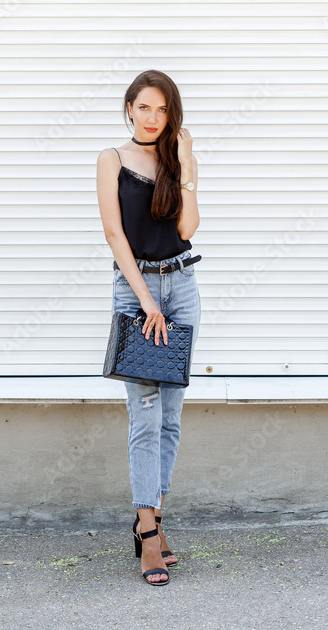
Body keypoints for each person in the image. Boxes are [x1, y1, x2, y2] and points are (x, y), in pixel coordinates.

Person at [96, 69, 201, 586]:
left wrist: (185, 167)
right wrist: (145, 302)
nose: (153, 118)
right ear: (129, 108)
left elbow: (185, 230)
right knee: (145, 415)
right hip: (137, 293)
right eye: (144, 108)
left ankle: (155, 522)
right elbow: (115, 235)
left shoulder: (174, 161)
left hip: (182, 289)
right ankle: (147, 533)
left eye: (162, 109)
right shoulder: (111, 160)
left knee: (172, 417)